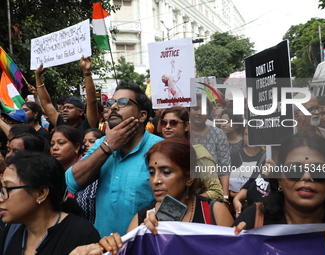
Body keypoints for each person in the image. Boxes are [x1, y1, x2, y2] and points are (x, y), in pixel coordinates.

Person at [69, 139, 233, 255]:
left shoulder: (213, 212)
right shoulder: (141, 221)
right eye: (152, 172)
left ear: (189, 177)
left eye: (166, 172)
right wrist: (111, 248)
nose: (156, 181)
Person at [65, 81, 163, 237]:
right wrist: (107, 147)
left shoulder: (161, 149)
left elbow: (174, 205)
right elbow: (71, 182)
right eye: (111, 102)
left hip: (143, 246)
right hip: (103, 247)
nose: (114, 107)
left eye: (123, 103)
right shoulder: (101, 144)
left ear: (142, 115)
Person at [233, 131, 325, 233]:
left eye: (319, 171)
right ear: (279, 179)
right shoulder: (255, 217)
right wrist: (239, 245)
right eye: (294, 170)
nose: (306, 177)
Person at [0, 151, 100, 254]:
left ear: (41, 193)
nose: (1, 198)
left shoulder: (81, 235)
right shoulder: (12, 231)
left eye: (8, 188)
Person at [160, 106, 224, 202]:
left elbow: (216, 192)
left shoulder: (198, 153)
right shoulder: (159, 152)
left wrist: (186, 203)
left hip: (193, 213)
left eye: (173, 123)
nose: (167, 126)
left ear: (186, 126)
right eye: (164, 123)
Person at [35, 56, 98, 137]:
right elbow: (46, 103)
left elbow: (92, 101)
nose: (64, 110)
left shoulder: (88, 125)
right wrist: (38, 76)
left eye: (69, 108)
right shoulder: (60, 123)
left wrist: (87, 73)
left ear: (81, 112)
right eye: (64, 107)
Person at [190, 94, 231, 203]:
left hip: (213, 194)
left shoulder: (218, 134)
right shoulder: (182, 132)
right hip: (186, 193)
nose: (199, 113)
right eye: (195, 108)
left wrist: (225, 196)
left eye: (203, 109)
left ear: (209, 112)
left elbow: (224, 167)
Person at [293, 93, 325, 161]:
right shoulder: (288, 134)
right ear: (297, 114)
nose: (317, 112)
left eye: (318, 108)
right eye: (311, 109)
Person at [75, 128, 105, 224]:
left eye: (92, 142)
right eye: (84, 142)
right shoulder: (78, 167)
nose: (86, 145)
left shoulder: (104, 169)